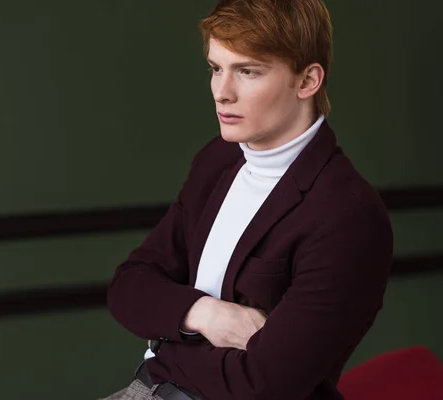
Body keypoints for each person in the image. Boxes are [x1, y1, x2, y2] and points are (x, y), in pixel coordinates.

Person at [104, 0, 393, 399]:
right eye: (216, 68)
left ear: (307, 81)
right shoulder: (218, 160)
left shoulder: (348, 215)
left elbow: (264, 384)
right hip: (149, 389)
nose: (221, 93)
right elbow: (128, 287)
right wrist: (205, 314)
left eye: (248, 71)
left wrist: (166, 345)